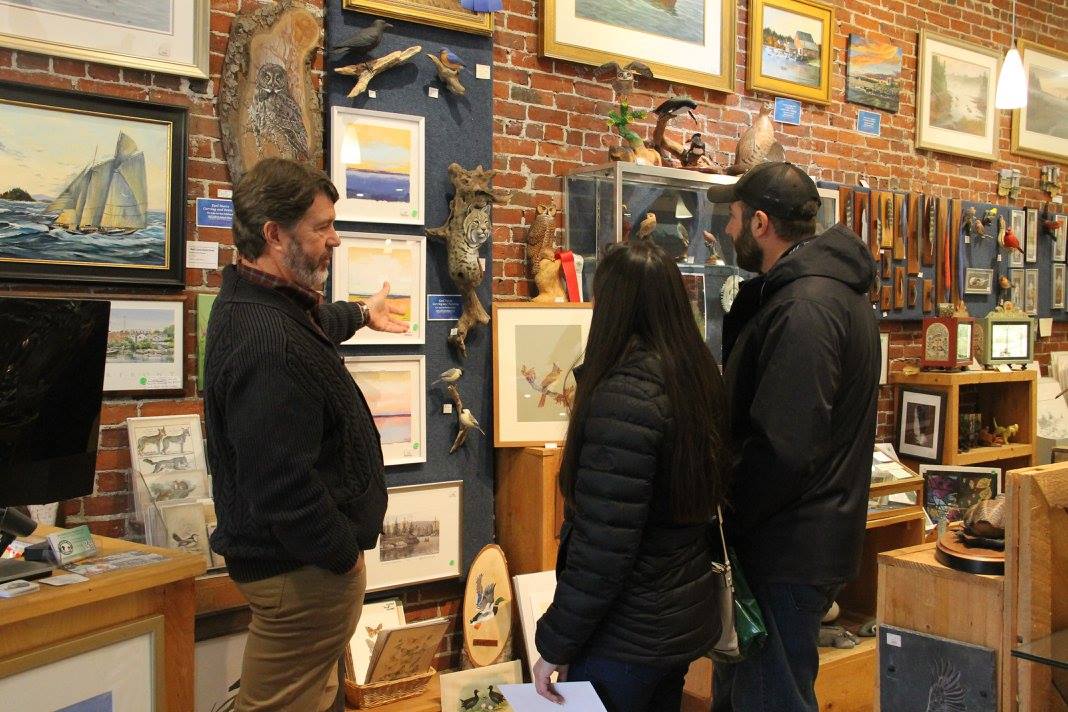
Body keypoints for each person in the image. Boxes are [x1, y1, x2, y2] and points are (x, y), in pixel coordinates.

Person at [204, 157, 407, 711]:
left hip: (302, 571)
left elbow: (311, 329)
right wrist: (342, 556)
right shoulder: (267, 339)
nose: (334, 239)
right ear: (275, 234)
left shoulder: (262, 304)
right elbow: (280, 484)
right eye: (322, 227)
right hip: (300, 575)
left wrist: (362, 313)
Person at [706, 162, 879, 712]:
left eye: (734, 218)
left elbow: (784, 447)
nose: (728, 229)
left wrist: (729, 510)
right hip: (794, 540)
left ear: (760, 224)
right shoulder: (817, 296)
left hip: (784, 548)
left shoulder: (805, 307)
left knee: (769, 700)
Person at [532, 239, 731, 712]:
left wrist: (555, 644)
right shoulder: (696, 377)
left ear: (614, 306)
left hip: (626, 633)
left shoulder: (623, 396)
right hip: (677, 620)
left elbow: (603, 549)